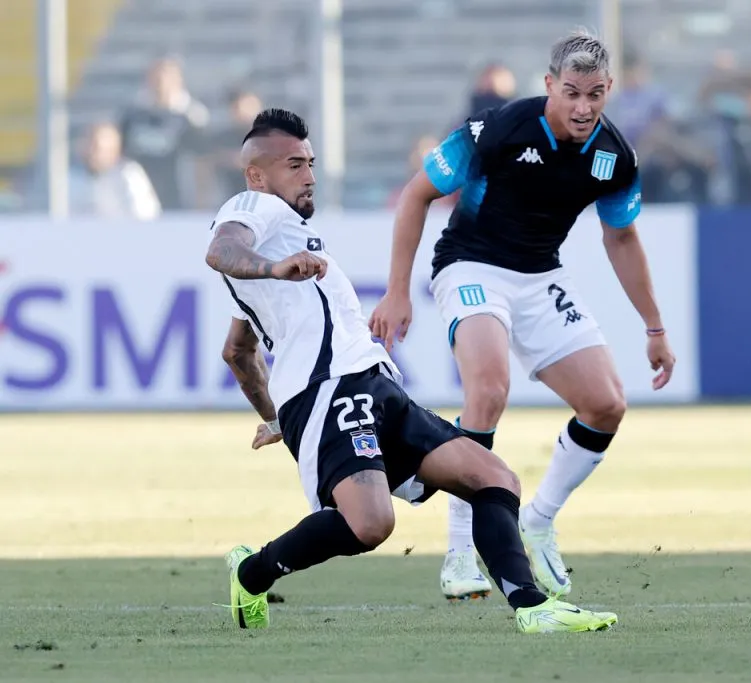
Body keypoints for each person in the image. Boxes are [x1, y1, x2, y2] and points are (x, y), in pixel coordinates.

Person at [204, 108, 616, 634]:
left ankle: (533, 608)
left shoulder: (288, 242)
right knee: (371, 524)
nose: (309, 175)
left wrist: (277, 416)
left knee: (493, 477)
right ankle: (252, 571)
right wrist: (271, 268)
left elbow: (238, 352)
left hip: (373, 384)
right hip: (331, 388)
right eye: (293, 165)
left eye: (310, 162)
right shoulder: (250, 209)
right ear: (257, 175)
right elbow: (222, 249)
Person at [370, 30, 676, 602]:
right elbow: (417, 195)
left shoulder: (615, 156)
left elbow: (623, 239)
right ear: (548, 87)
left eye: (595, 95)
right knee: (488, 388)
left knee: (607, 403)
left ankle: (539, 518)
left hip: (540, 275)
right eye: (571, 93)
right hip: (469, 265)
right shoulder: (499, 129)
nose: (583, 108)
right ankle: (461, 551)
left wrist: (654, 327)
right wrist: (396, 292)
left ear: (609, 90)